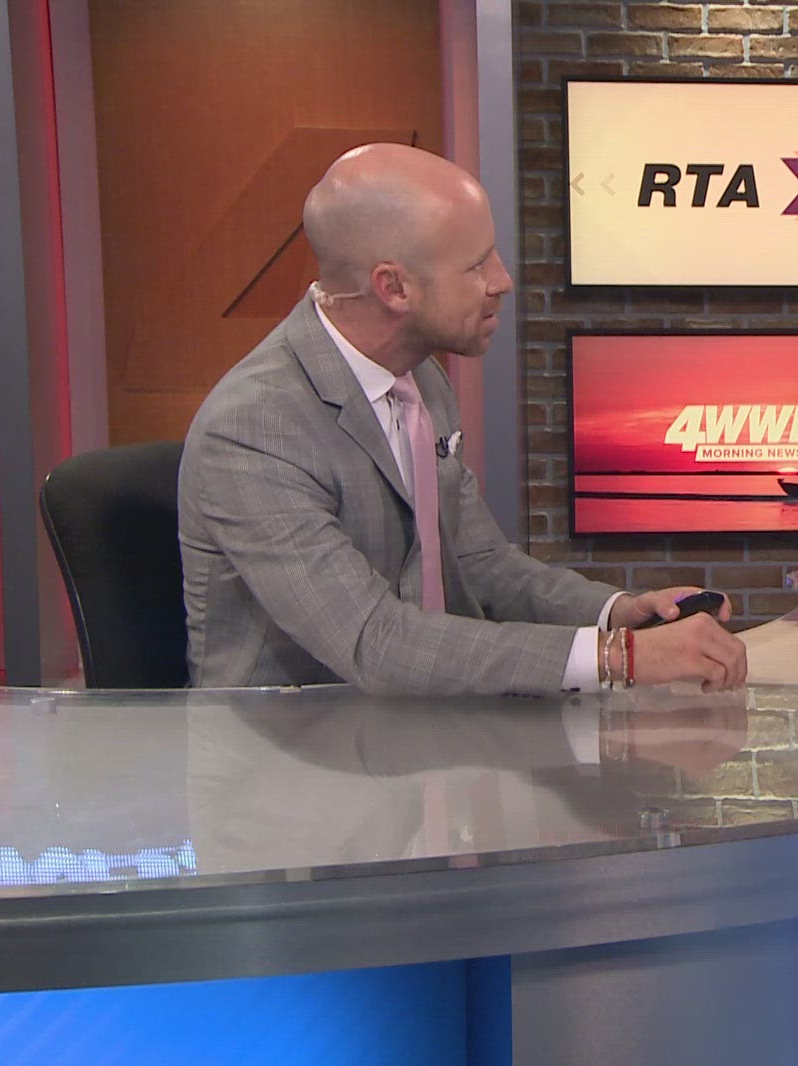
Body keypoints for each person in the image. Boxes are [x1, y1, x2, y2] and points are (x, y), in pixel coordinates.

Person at [180, 143, 746, 695]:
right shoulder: (255, 428)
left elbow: (477, 561)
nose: (503, 281)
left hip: (407, 736)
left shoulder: (419, 376)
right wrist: (615, 659)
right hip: (285, 763)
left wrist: (614, 615)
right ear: (393, 286)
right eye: (477, 266)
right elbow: (372, 641)